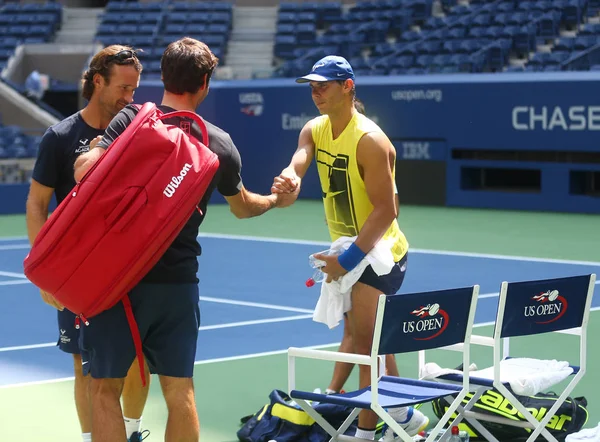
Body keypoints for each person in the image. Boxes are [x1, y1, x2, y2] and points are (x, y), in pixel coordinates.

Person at [73, 37, 284, 442]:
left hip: (118, 280)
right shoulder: (218, 142)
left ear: (164, 77)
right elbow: (243, 207)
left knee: (105, 389)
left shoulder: (131, 119)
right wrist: (276, 199)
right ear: (204, 82)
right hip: (177, 284)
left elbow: (84, 171)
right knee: (179, 391)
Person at [271, 55, 428, 441]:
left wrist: (347, 261)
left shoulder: (370, 141)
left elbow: (387, 211)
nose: (316, 92)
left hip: (380, 251)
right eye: (312, 86)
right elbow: (300, 159)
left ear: (348, 87)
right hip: (346, 245)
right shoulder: (313, 128)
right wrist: (290, 177)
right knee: (369, 336)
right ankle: (403, 415)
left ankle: (364, 434)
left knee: (365, 346)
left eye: (323, 85)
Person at [25, 45, 150, 442]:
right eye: (123, 88)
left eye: (134, 90)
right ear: (98, 82)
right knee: (84, 366)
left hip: (128, 271)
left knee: (134, 361)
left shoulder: (135, 132)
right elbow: (37, 204)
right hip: (77, 275)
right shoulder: (60, 137)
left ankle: (129, 433)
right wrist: (45, 275)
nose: (130, 99)